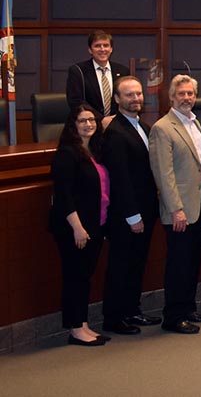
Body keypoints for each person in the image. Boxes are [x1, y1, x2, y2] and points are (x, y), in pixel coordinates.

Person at [149, 74, 201, 334]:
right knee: (178, 264)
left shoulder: (194, 123)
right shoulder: (162, 128)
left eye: (190, 94)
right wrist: (176, 209)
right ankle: (173, 317)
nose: (187, 98)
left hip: (198, 205)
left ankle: (188, 307)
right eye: (182, 94)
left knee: (192, 261)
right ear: (172, 97)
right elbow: (164, 174)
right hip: (180, 210)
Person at [100, 77, 162, 335]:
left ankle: (132, 310)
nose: (136, 99)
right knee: (120, 266)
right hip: (128, 214)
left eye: (138, 94)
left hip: (145, 210)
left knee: (137, 263)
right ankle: (114, 318)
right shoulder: (115, 132)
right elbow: (120, 178)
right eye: (129, 95)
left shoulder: (142, 127)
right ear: (117, 99)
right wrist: (132, 215)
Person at [50, 104, 110, 346]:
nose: (88, 125)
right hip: (74, 228)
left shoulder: (94, 150)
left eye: (92, 120)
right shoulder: (67, 153)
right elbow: (63, 196)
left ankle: (83, 324)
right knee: (75, 277)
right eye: (83, 121)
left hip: (95, 224)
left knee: (85, 277)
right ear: (73, 125)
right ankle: (75, 329)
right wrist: (77, 227)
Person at [66, 30, 129, 116]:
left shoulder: (123, 71)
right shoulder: (78, 71)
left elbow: (126, 99)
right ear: (90, 50)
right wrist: (101, 120)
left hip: (117, 124)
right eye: (97, 46)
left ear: (111, 49)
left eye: (106, 45)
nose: (102, 49)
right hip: (90, 124)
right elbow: (76, 101)